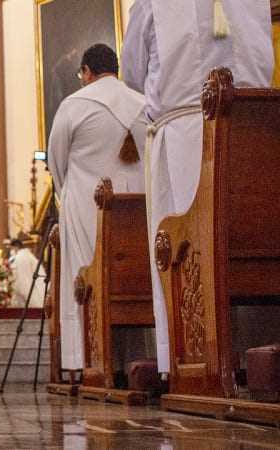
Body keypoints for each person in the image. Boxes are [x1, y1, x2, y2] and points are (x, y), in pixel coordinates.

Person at [121, 0, 275, 376]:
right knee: (250, 236)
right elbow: (264, 59)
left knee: (185, 247)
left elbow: (133, 73)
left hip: (184, 132)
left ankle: (191, 359)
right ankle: (257, 352)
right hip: (255, 126)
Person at [47, 43, 147, 372]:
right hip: (134, 212)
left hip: (84, 206)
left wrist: (69, 192)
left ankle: (85, 359)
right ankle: (132, 361)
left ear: (87, 72)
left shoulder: (74, 105)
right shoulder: (142, 104)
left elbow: (56, 162)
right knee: (129, 280)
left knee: (84, 279)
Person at [7, 239, 45, 308]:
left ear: (16, 247)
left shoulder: (19, 257)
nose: (12, 251)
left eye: (12, 248)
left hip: (23, 283)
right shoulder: (29, 255)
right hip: (31, 283)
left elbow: (18, 273)